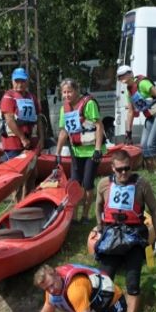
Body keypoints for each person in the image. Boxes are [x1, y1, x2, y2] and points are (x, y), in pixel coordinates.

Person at [91, 149, 156, 312]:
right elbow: (98, 206)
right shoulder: (104, 184)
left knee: (133, 283)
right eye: (120, 169)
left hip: (134, 238)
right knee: (102, 283)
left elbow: (154, 210)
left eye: (127, 169)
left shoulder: (141, 184)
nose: (124, 173)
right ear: (112, 168)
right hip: (111, 237)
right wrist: (99, 226)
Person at [55, 78, 104, 222]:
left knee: (87, 183)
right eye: (64, 92)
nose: (66, 95)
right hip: (76, 151)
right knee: (75, 184)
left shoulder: (89, 103)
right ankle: (74, 217)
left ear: (76, 90)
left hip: (91, 151)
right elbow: (64, 131)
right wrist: (57, 153)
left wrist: (97, 149)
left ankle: (85, 215)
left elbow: (99, 126)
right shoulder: (65, 108)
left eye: (69, 92)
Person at [117, 65, 156, 174]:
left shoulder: (143, 83)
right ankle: (151, 174)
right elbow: (130, 112)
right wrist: (128, 133)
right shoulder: (129, 91)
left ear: (130, 74)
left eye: (124, 74)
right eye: (120, 76)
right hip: (150, 117)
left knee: (151, 145)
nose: (123, 78)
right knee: (144, 146)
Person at [0, 67, 40, 196]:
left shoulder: (32, 97)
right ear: (12, 81)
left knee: (32, 173)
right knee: (16, 176)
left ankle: (28, 199)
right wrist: (22, 138)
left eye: (22, 81)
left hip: (30, 141)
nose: (19, 84)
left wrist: (41, 140)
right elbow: (10, 120)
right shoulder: (8, 97)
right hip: (13, 143)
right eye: (17, 81)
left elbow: (39, 120)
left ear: (27, 82)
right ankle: (16, 203)